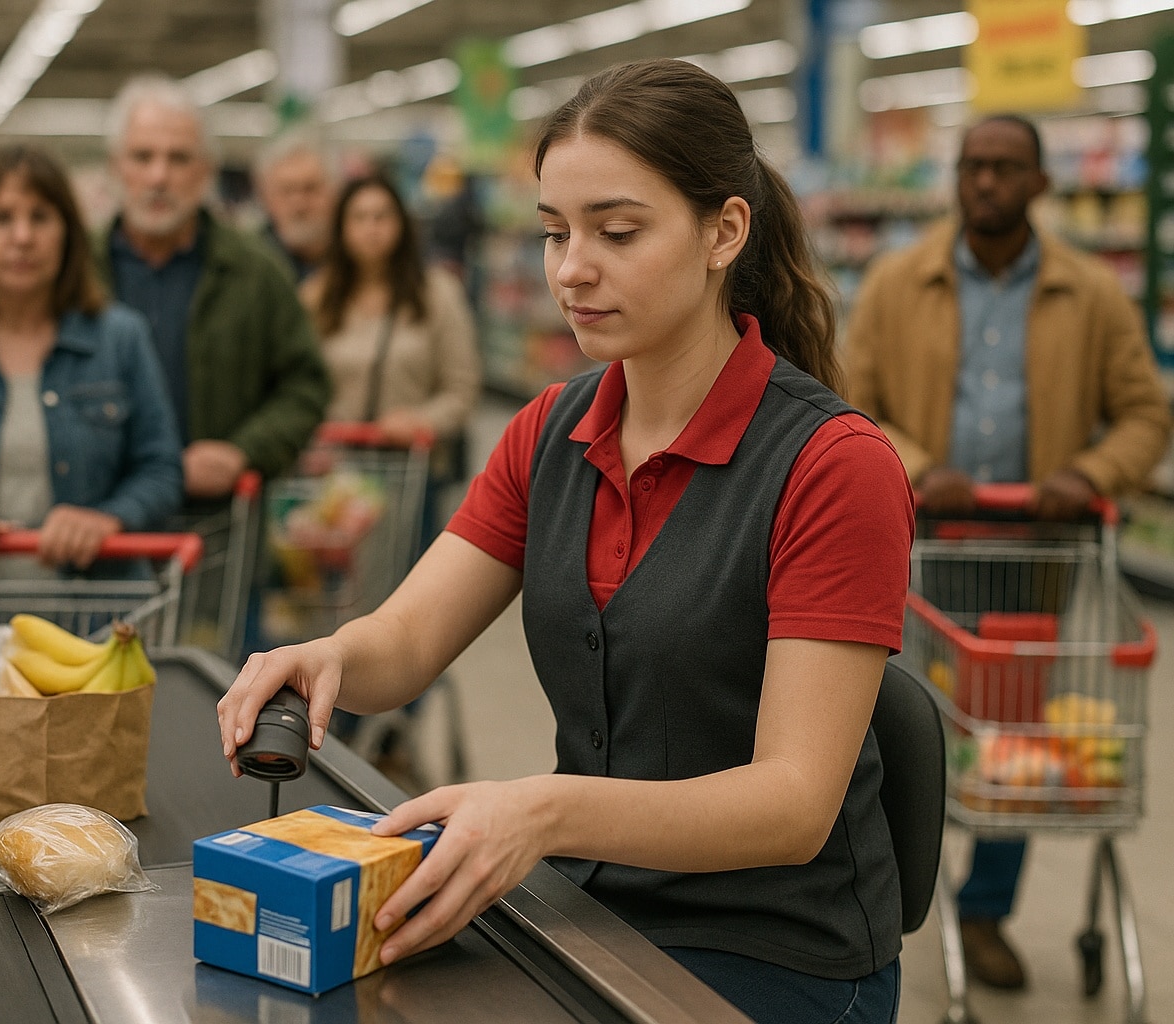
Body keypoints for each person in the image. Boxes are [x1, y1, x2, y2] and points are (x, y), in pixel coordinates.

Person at [220, 58, 914, 1024]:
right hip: (592, 910)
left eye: (616, 232)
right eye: (554, 233)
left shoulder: (832, 467)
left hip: (774, 951)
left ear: (725, 231)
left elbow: (793, 805)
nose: (570, 268)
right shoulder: (552, 430)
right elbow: (409, 642)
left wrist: (544, 810)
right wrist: (329, 655)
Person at [845, 114, 1172, 990]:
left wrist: (1089, 473)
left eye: (1003, 167)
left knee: (1010, 740)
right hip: (920, 548)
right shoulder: (894, 282)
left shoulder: (1092, 294)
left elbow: (1147, 413)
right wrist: (917, 467)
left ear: (1039, 184)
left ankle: (985, 910)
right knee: (901, 727)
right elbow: (848, 401)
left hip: (1037, 556)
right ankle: (888, 892)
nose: (983, 180)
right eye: (971, 165)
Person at [0, 143, 182, 581]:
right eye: (1, 218)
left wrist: (108, 518)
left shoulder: (121, 339)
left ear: (68, 233)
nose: (22, 236)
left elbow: (161, 470)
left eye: (40, 217)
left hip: (96, 614)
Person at [100, 76, 331, 501]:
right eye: (142, 156)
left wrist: (243, 451)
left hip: (217, 527)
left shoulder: (256, 272)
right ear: (116, 166)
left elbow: (305, 386)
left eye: (179, 159)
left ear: (206, 170)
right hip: (98, 523)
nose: (159, 176)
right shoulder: (75, 271)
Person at [301, 173, 481, 486]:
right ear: (341, 228)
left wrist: (421, 421)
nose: (371, 228)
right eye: (359, 217)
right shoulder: (315, 297)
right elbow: (298, 384)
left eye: (382, 216)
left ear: (402, 224)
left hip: (410, 473)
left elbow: (462, 388)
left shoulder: (437, 293)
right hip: (332, 474)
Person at [254, 130, 338, 283]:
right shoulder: (248, 261)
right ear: (266, 197)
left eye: (310, 188)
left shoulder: (360, 257)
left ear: (336, 192)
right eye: (287, 190)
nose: (299, 204)